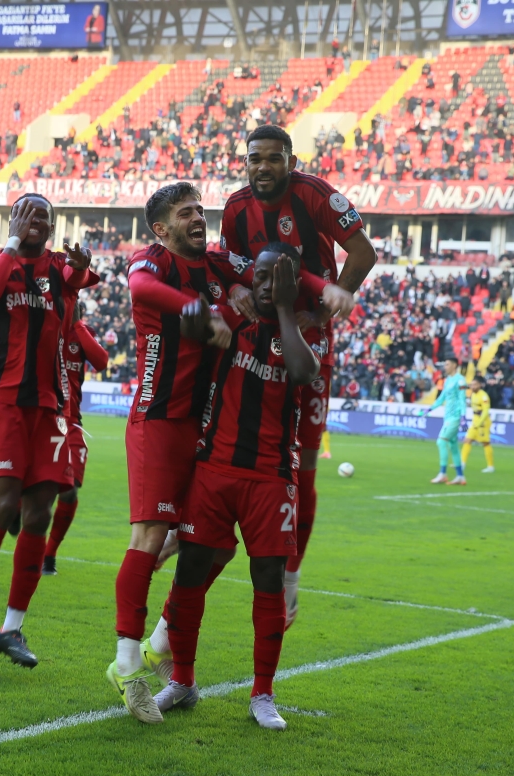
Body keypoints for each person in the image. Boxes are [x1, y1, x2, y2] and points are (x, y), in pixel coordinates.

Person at [108, 181, 262, 725]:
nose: (198, 218)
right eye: (184, 213)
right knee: (149, 538)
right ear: (161, 229)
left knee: (217, 545)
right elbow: (142, 290)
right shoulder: (152, 262)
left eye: (200, 209)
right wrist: (200, 308)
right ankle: (129, 668)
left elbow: (265, 272)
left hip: (206, 433)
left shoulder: (217, 266)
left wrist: (325, 287)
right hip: (158, 423)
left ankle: (159, 641)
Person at [151, 243, 320, 731]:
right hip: (214, 469)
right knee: (190, 575)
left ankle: (263, 694)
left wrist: (286, 305)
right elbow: (189, 322)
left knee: (267, 579)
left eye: (279, 278)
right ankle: (182, 680)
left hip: (270, 476)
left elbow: (304, 372)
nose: (268, 286)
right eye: (262, 277)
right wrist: (210, 309)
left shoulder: (300, 329)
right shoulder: (233, 318)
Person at [220, 123, 376, 630]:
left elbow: (364, 252)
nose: (262, 167)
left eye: (272, 158)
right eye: (254, 159)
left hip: (308, 339)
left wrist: (324, 314)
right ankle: (186, 523)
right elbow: (231, 265)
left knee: (304, 460)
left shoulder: (315, 195)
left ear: (289, 159)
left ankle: (290, 577)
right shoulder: (235, 207)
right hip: (255, 334)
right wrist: (236, 292)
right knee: (224, 433)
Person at [0, 194, 96, 667]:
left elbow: (78, 280)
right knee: (6, 502)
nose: (38, 222)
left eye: (45, 218)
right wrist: (13, 244)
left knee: (38, 514)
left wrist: (81, 267)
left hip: (49, 408)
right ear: (14, 220)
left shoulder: (60, 268)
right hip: (0, 400)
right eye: (28, 215)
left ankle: (11, 627)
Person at [43, 306, 109, 576]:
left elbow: (102, 362)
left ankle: (49, 555)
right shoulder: (44, 325)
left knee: (70, 489)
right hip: (45, 415)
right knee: (42, 489)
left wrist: (78, 323)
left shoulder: (81, 333)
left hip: (72, 421)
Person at [420, 356, 466, 485]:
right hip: (447, 417)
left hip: (455, 417)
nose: (445, 367)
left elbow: (463, 400)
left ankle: (443, 474)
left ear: (454, 365)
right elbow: (441, 398)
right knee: (453, 446)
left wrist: (463, 417)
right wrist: (429, 409)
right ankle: (460, 477)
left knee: (441, 442)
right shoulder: (447, 380)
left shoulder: (461, 381)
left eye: (447, 364)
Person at [460, 374, 494, 474]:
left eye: (475, 384)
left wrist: (479, 423)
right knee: (467, 440)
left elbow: (485, 411)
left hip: (483, 422)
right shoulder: (473, 393)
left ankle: (490, 466)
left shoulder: (483, 396)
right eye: (471, 384)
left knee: (485, 443)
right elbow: (462, 387)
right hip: (475, 421)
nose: (472, 386)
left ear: (480, 385)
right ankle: (462, 463)